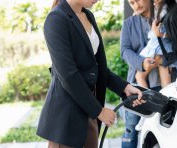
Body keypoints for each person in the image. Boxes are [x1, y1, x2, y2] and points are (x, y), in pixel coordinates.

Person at [37, 0, 144, 147]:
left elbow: (97, 66)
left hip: (89, 108)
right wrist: (99, 111)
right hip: (67, 118)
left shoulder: (88, 15)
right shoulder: (56, 19)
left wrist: (124, 87)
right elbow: (68, 75)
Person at [120, 0, 177, 147]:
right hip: (136, 88)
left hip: (165, 86)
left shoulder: (167, 18)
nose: (136, 5)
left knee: (168, 131)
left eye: (138, 0)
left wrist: (161, 60)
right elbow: (124, 51)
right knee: (131, 130)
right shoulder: (129, 24)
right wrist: (142, 62)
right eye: (131, 2)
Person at [135, 0, 177, 88]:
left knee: (140, 76)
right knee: (165, 86)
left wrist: (160, 34)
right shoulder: (159, 8)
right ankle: (155, 100)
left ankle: (147, 100)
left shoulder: (166, 10)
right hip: (162, 52)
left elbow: (176, 34)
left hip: (160, 51)